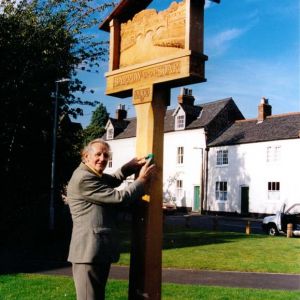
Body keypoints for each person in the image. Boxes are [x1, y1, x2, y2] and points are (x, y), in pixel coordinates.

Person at [66, 138, 155, 300]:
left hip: (97, 251)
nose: (102, 159)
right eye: (98, 154)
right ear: (85, 156)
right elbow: (119, 197)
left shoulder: (93, 175)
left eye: (106, 155)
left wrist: (128, 168)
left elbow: (111, 180)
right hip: (88, 254)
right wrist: (141, 181)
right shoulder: (83, 178)